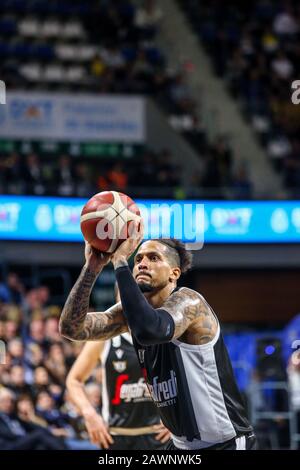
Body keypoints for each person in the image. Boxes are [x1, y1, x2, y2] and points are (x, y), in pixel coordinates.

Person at [59, 226, 256, 450]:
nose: (142, 263)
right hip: (179, 446)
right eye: (139, 258)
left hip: (224, 443)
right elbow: (70, 328)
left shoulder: (190, 303)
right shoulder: (128, 315)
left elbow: (153, 330)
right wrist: (91, 268)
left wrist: (121, 260)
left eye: (154, 258)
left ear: (174, 273)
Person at [66, 336, 170, 450]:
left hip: (158, 434)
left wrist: (177, 418)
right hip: (116, 435)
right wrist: (90, 414)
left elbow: (182, 375)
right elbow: (74, 380)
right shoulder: (104, 338)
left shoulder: (160, 332)